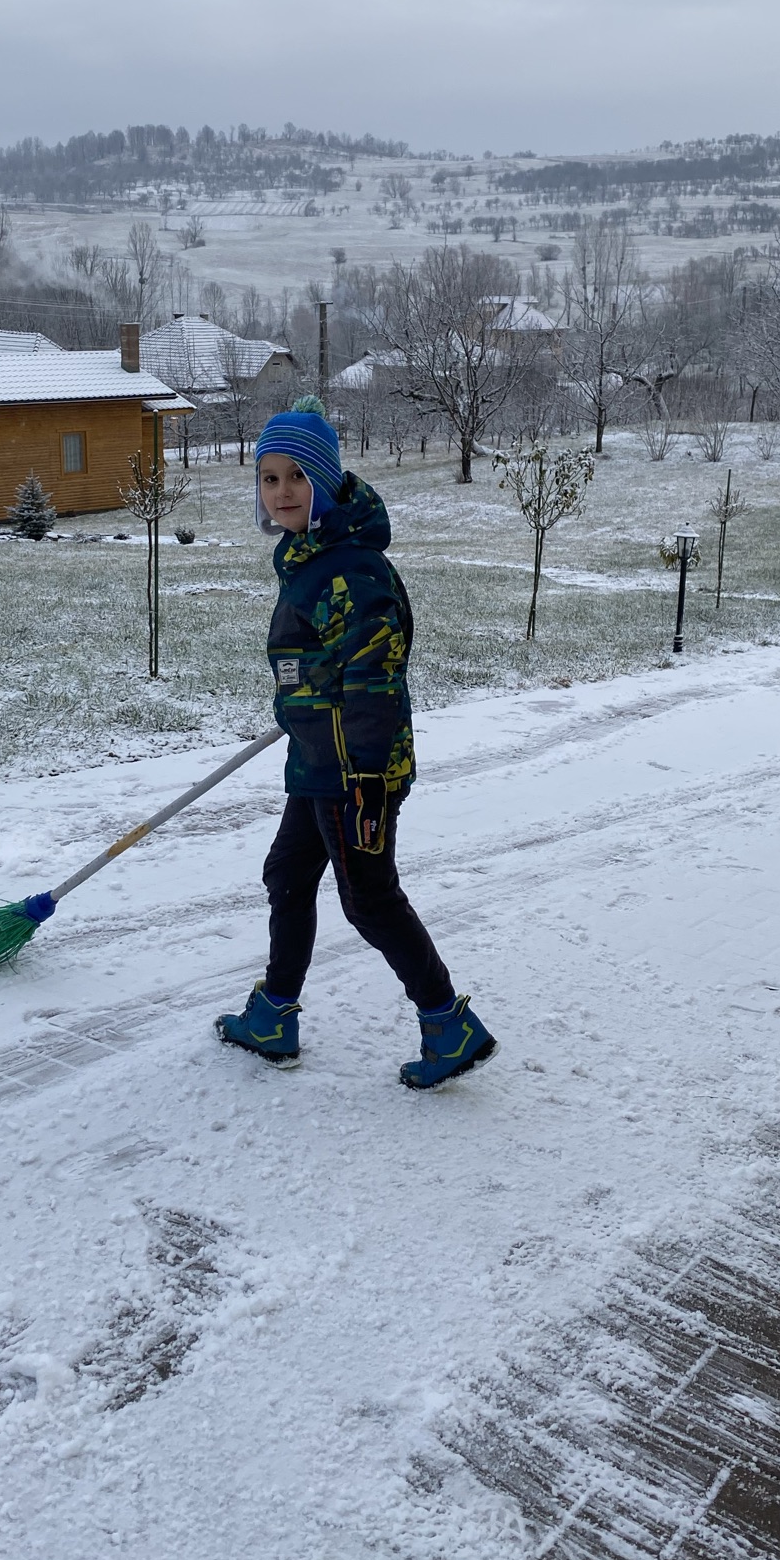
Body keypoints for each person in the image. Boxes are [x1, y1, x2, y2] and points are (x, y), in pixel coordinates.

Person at [215, 397, 497, 1089]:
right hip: (317, 759)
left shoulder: (351, 569)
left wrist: (369, 775)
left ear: (327, 482)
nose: (280, 492)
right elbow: (323, 665)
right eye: (269, 478)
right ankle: (275, 1014)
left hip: (354, 772)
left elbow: (374, 678)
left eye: (296, 478)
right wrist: (301, 703)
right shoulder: (308, 558)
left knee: (369, 899)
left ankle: (446, 1021)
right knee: (288, 875)